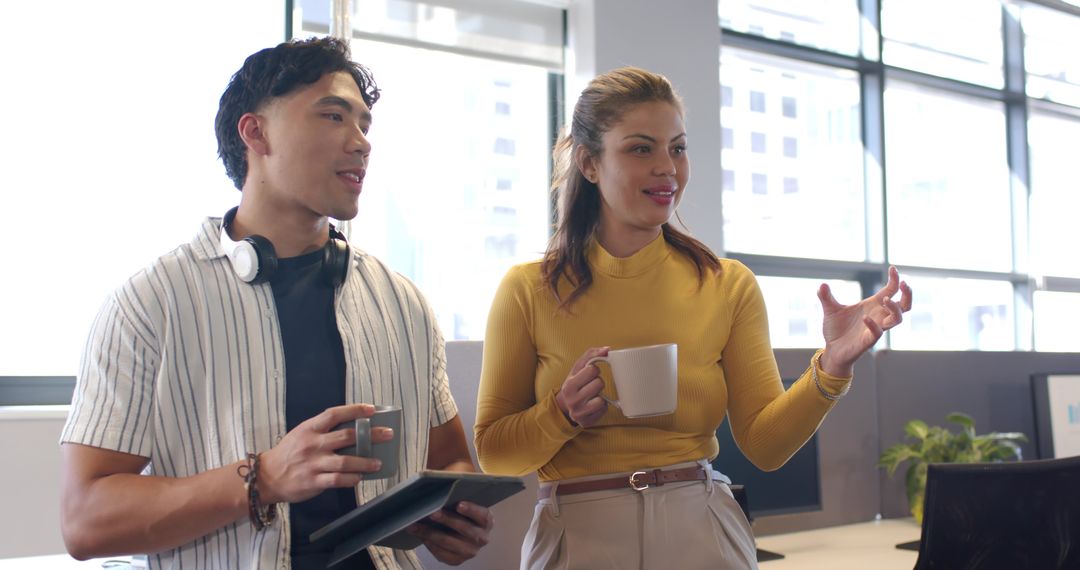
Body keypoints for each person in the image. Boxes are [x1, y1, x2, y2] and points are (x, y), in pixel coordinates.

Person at [59, 37, 493, 570]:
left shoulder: (402, 302)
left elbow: (448, 459)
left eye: (364, 124)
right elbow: (85, 520)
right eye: (334, 116)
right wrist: (262, 478)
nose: (360, 142)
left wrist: (452, 518)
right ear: (255, 132)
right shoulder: (150, 304)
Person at [473, 67, 912, 570]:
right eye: (641, 149)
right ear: (590, 163)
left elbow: (765, 446)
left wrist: (830, 368)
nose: (668, 168)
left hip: (703, 531)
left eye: (677, 149)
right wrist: (561, 413)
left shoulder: (726, 284)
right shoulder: (528, 289)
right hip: (578, 537)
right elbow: (494, 454)